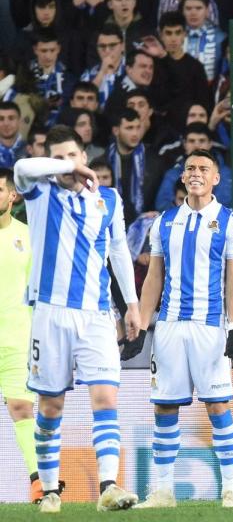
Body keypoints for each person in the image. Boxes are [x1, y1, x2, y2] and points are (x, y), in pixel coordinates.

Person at [13, 126, 141, 513]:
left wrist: (132, 304)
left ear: (86, 156)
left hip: (97, 314)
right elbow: (21, 167)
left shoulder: (109, 200)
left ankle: (108, 486)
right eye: (59, 158)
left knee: (105, 397)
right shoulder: (40, 192)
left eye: (73, 156)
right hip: (50, 314)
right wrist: (64, 168)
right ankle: (50, 491)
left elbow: (118, 251)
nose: (68, 164)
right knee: (50, 407)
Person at [131, 148, 233, 508]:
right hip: (169, 327)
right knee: (165, 408)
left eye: (203, 169)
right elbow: (154, 277)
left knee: (218, 407)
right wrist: (141, 325)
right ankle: (164, 491)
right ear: (182, 177)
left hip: (209, 328)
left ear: (216, 178)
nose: (196, 173)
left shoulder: (231, 222)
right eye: (190, 168)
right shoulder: (164, 222)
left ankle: (230, 489)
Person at [0, 167, 41, 502]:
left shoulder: (28, 236)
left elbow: (37, 292)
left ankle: (39, 484)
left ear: (12, 196)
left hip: (16, 338)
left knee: (22, 409)